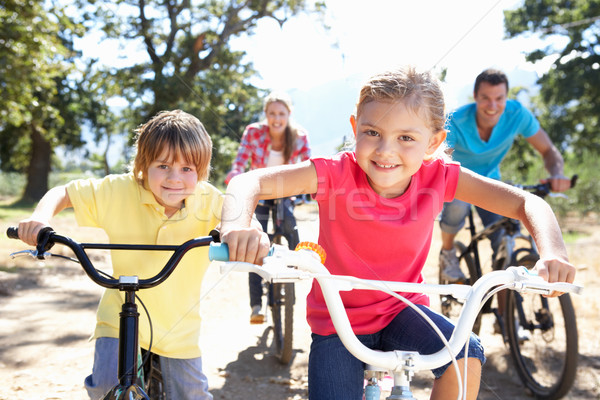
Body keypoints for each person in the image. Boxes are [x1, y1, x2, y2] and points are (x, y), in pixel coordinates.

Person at [218, 66, 576, 399]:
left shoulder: (440, 175)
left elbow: (528, 204)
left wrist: (553, 254)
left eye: (406, 137)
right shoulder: (336, 173)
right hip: (338, 324)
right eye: (372, 132)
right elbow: (248, 182)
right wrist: (239, 226)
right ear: (355, 127)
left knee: (466, 353)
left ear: (433, 144)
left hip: (401, 310)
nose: (386, 150)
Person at [16, 110, 269, 400]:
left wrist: (252, 235)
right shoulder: (119, 190)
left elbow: (241, 220)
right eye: (163, 166)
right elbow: (64, 193)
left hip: (178, 325)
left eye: (188, 169)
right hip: (119, 316)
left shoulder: (208, 199)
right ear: (142, 165)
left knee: (191, 395)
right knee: (103, 389)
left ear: (201, 170)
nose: (175, 179)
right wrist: (40, 218)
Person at [439, 68, 572, 283]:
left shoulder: (517, 114)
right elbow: (442, 160)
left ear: (506, 98)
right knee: (457, 206)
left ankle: (506, 307)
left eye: (499, 98)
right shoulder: (454, 120)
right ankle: (447, 253)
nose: (492, 106)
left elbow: (548, 150)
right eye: (485, 98)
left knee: (504, 235)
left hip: (491, 180)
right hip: (459, 180)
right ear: (475, 97)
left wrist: (557, 173)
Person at [225, 91, 311, 324]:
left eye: (281, 113)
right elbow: (241, 160)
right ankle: (257, 303)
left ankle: (296, 264)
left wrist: (311, 190)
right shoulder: (254, 133)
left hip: (286, 192)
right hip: (260, 193)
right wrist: (234, 176)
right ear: (266, 114)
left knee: (290, 224)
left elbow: (309, 167)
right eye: (272, 113)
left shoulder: (300, 136)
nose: (276, 118)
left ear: (288, 115)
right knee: (254, 242)